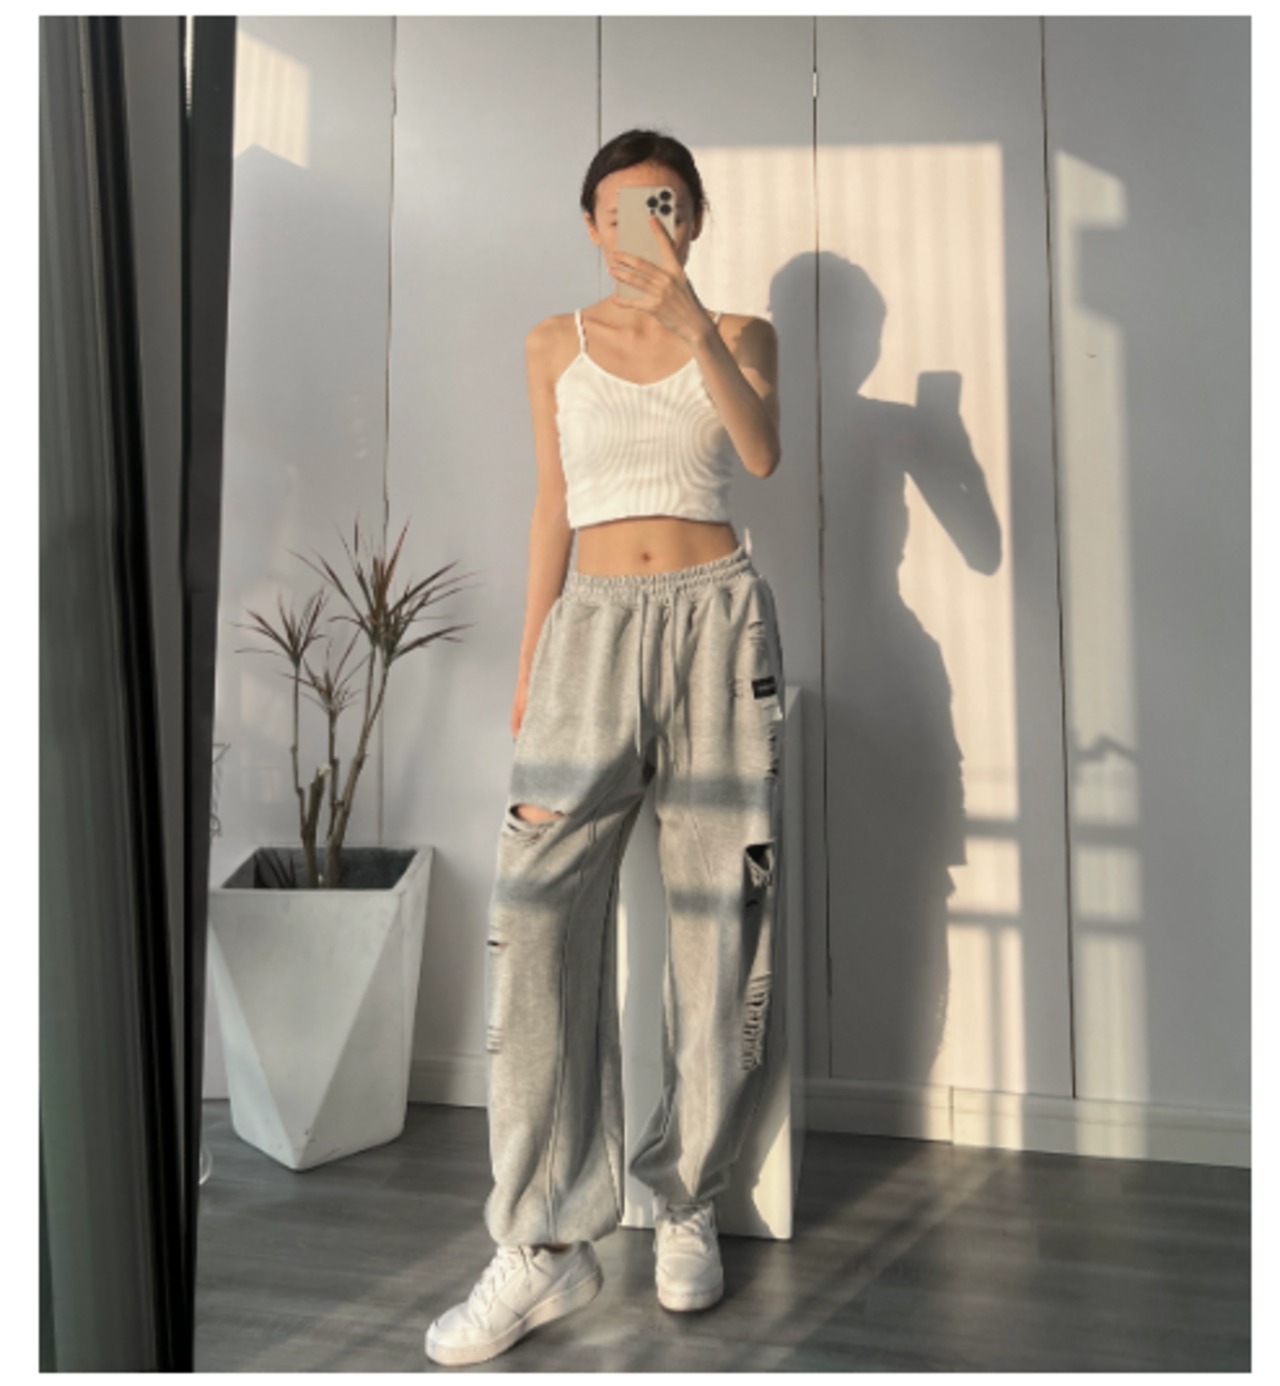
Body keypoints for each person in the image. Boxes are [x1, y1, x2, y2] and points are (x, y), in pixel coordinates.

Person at [425, 128, 785, 1367]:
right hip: (588, 630)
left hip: (717, 624)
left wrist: (691, 325)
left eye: (667, 205)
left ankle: (684, 1200)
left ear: (694, 217)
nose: (647, 227)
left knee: (718, 924)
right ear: (591, 224)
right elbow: (550, 503)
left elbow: (759, 454)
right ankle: (541, 1239)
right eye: (625, 210)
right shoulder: (552, 343)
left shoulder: (738, 333)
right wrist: (533, 659)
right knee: (533, 921)